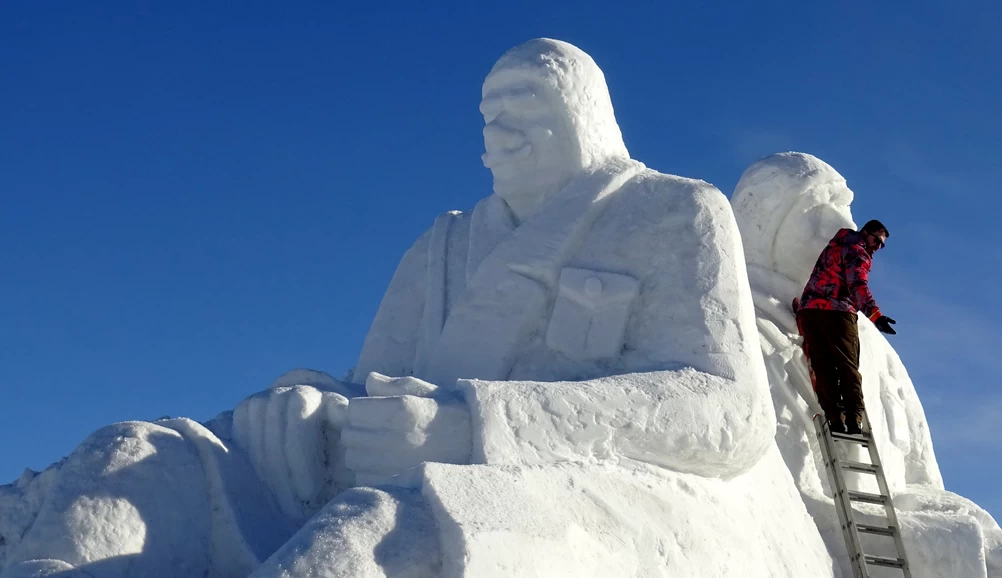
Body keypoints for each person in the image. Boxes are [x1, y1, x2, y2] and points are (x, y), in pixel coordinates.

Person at [797, 219, 896, 435]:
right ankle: (853, 419)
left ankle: (834, 417)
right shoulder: (857, 252)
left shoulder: (837, 243)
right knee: (847, 366)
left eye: (882, 245)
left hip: (810, 311)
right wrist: (876, 316)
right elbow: (857, 285)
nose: (877, 247)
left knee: (823, 366)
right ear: (865, 233)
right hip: (838, 313)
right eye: (877, 240)